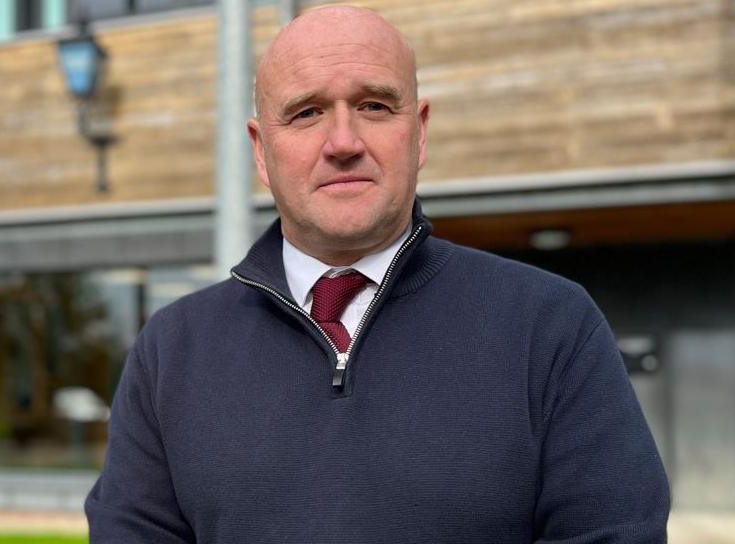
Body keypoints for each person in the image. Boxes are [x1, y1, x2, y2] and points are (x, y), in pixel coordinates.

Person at [86, 6, 670, 543]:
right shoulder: (173, 348)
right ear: (261, 152)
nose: (343, 142)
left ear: (418, 132)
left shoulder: (550, 327)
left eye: (374, 106)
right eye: (307, 112)